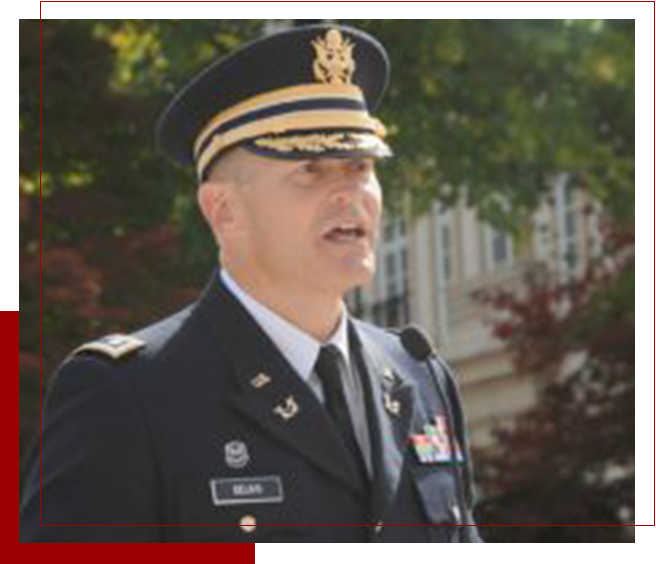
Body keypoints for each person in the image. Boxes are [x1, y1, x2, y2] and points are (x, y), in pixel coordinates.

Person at [20, 23, 483, 543]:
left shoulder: (420, 379)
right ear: (224, 210)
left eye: (360, 166)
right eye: (310, 169)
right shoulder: (128, 394)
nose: (348, 193)